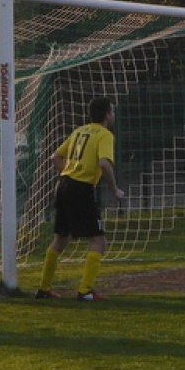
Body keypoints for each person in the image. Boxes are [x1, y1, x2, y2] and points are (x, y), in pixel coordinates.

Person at [35, 97, 127, 301]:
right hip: (80, 189)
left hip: (63, 185)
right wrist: (114, 189)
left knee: (61, 238)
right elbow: (104, 164)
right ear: (107, 115)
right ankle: (85, 291)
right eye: (111, 112)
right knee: (98, 240)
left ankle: (44, 288)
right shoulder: (104, 134)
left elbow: (55, 157)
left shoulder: (80, 131)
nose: (112, 116)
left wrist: (68, 174)